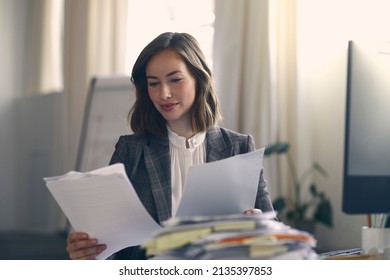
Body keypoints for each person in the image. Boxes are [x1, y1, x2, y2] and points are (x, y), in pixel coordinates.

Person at [66, 32, 274, 260]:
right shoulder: (131, 150)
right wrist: (88, 253)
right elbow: (111, 247)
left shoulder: (239, 147)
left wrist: (262, 228)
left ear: (199, 78)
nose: (163, 94)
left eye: (175, 80)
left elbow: (275, 236)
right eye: (154, 83)